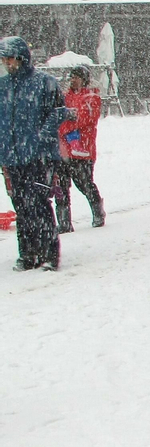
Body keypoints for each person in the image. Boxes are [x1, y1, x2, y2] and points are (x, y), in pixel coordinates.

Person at [0, 36, 70, 271]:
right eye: (4, 59)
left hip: (39, 157)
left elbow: (59, 112)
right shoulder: (3, 87)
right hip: (12, 158)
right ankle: (28, 254)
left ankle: (49, 253)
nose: (7, 63)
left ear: (21, 58)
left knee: (40, 205)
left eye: (9, 59)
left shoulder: (44, 83)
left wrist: (42, 137)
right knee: (21, 208)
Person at [52, 67, 105, 231]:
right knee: (60, 187)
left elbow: (82, 119)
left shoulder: (92, 98)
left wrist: (62, 124)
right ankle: (64, 222)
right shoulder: (65, 97)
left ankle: (97, 211)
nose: (73, 80)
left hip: (82, 150)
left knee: (84, 183)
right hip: (63, 150)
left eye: (77, 77)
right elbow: (57, 116)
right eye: (72, 77)